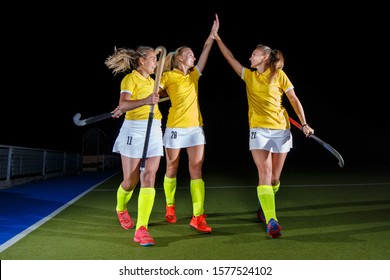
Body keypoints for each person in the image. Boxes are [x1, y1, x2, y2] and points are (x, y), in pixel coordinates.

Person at [212, 15, 314, 238]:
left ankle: (264, 205)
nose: (250, 57)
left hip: (282, 130)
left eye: (254, 54)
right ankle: (272, 220)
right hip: (258, 130)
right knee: (264, 173)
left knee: (275, 178)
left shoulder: (279, 75)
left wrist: (304, 123)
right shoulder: (248, 76)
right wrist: (217, 38)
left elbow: (294, 99)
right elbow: (230, 57)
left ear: (265, 57)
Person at [157, 15, 218, 233]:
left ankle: (198, 216)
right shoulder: (168, 76)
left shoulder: (193, 75)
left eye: (193, 54)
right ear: (180, 59)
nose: (193, 57)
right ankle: (170, 206)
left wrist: (212, 35)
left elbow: (205, 52)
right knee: (171, 168)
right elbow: (152, 90)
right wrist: (148, 96)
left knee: (196, 168)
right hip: (175, 127)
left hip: (195, 128)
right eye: (189, 55)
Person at [105, 46, 164, 246]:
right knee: (130, 181)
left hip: (154, 128)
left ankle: (141, 229)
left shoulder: (153, 81)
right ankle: (121, 208)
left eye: (156, 59)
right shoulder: (130, 79)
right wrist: (146, 100)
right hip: (134, 130)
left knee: (149, 176)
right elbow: (123, 104)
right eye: (153, 59)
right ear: (142, 61)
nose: (156, 62)